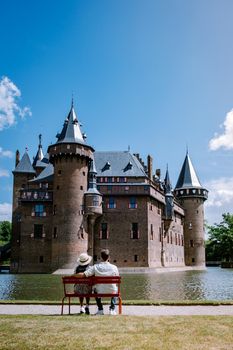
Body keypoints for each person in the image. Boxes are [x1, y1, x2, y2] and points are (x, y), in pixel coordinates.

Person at [78, 249, 119, 315]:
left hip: (99, 291)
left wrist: (74, 275)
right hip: (112, 291)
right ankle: (112, 309)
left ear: (100, 257)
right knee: (115, 289)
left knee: (95, 289)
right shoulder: (114, 267)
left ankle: (100, 309)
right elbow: (116, 278)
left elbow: (84, 274)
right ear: (109, 257)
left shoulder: (95, 267)